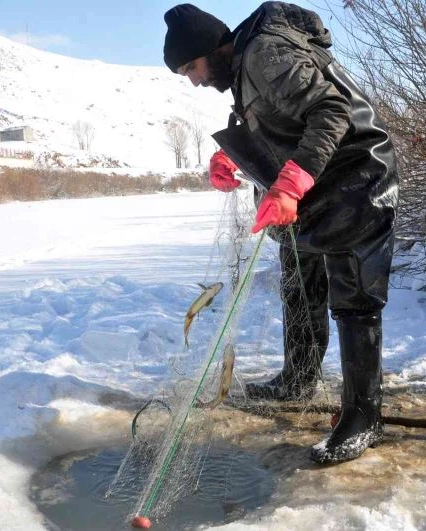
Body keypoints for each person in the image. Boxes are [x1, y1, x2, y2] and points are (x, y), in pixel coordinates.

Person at [162, 2, 398, 465]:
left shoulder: (263, 54)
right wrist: (232, 155)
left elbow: (332, 111)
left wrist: (291, 183)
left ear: (215, 48)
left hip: (357, 177)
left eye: (191, 67)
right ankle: (298, 378)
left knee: (354, 297)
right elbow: (278, 121)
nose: (193, 79)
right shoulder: (246, 65)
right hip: (318, 185)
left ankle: (364, 417)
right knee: (298, 275)